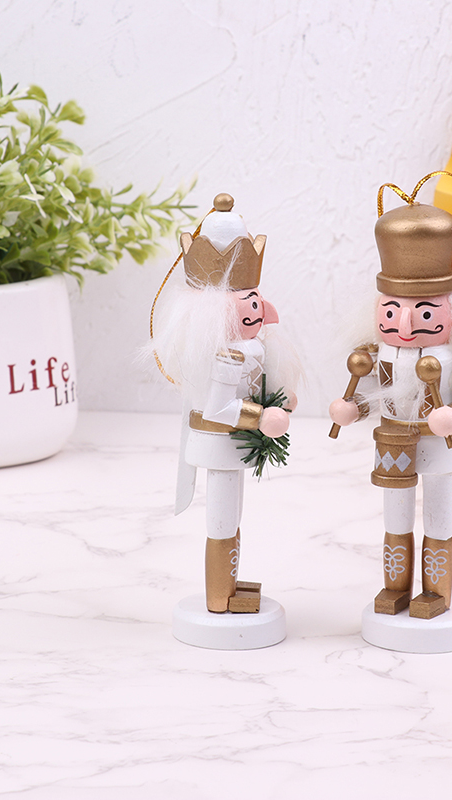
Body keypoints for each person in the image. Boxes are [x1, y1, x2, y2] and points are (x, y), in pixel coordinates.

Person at [329, 173, 452, 620]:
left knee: (439, 517)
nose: (404, 326)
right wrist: (352, 408)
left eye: (423, 313)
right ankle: (395, 589)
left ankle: (436, 593)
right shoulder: (376, 354)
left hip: (438, 446)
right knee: (395, 516)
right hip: (392, 441)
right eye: (391, 311)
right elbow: (375, 396)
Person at [151, 193, 298, 614]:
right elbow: (218, 409)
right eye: (245, 302)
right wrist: (262, 416)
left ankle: (229, 586)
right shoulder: (225, 355)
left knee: (232, 514)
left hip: (235, 443)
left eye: (255, 299)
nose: (255, 310)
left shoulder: (250, 347)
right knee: (221, 518)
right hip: (220, 440)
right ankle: (220, 597)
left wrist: (281, 397)